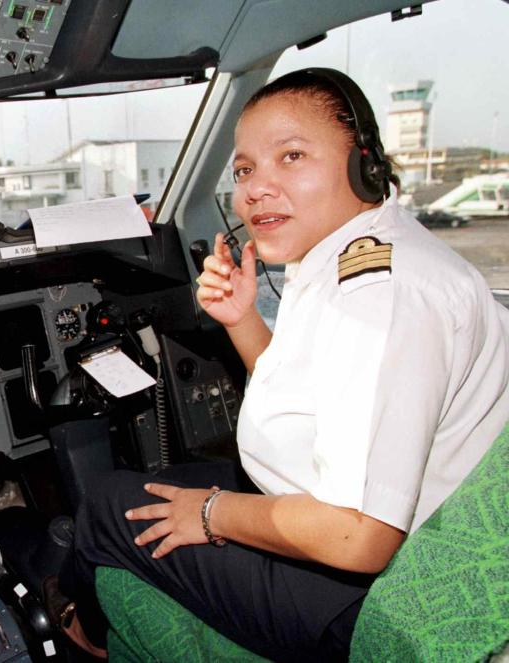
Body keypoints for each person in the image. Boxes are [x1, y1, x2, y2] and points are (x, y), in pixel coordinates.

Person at [45, 67, 509, 661]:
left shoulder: (380, 299)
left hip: (364, 595)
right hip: (369, 533)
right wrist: (242, 319)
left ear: (363, 162)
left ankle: (85, 633)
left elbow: (358, 535)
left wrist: (211, 514)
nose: (254, 189)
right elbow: (311, 404)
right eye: (244, 170)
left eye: (291, 156)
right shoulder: (357, 256)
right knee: (161, 483)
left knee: (109, 505)